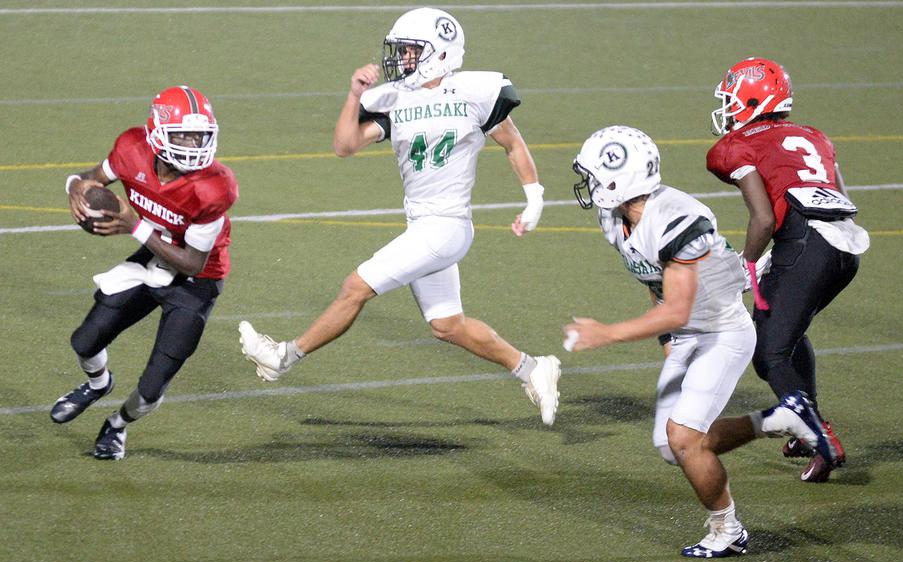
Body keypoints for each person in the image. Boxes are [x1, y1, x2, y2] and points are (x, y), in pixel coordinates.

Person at [238, 7, 561, 424]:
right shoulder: (398, 99)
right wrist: (354, 94)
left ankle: (285, 355)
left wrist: (534, 198)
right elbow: (345, 145)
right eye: (402, 50)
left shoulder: (474, 93)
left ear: (441, 53)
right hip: (422, 225)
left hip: (446, 226)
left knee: (355, 286)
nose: (401, 58)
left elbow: (513, 144)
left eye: (411, 50)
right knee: (448, 326)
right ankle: (534, 368)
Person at [563, 126, 839, 557]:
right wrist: (667, 343)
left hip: (721, 332)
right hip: (687, 330)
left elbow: (675, 308)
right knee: (673, 447)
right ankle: (782, 419)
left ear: (619, 180)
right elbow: (652, 279)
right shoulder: (615, 216)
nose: (589, 184)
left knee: (684, 438)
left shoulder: (678, 218)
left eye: (595, 174)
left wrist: (606, 334)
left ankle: (727, 530)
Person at [51, 86, 238, 460]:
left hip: (197, 282)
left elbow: (192, 263)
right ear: (156, 132)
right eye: (183, 135)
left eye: (201, 136)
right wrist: (75, 187)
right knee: (85, 341)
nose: (194, 145)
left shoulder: (214, 187)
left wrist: (135, 227)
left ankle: (117, 425)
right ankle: (98, 383)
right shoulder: (131, 148)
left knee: (152, 387)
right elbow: (88, 178)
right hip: (152, 258)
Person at [707, 57, 870, 482]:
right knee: (785, 329)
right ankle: (804, 429)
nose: (727, 109)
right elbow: (838, 199)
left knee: (769, 351)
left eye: (732, 100)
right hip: (844, 249)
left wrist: (747, 264)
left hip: (805, 247)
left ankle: (816, 434)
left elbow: (762, 218)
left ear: (753, 99)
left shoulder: (734, 146)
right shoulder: (814, 136)